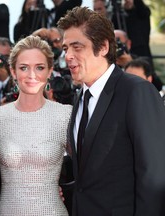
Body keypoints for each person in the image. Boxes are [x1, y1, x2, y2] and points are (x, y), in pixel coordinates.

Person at [58, 6, 165, 216]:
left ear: (103, 47)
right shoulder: (79, 97)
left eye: (77, 47)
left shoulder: (136, 91)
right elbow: (90, 176)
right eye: (65, 49)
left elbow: (154, 177)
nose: (68, 56)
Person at [0, 35, 72, 215]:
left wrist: (68, 191)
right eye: (24, 68)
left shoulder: (65, 115)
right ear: (13, 71)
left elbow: (89, 170)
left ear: (50, 71)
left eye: (39, 68)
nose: (32, 75)